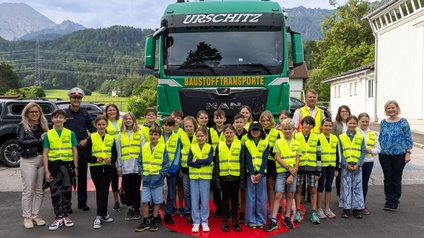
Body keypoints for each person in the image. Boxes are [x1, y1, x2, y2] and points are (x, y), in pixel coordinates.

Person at [43, 109, 78, 231]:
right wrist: (47, 171)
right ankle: (58, 216)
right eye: (55, 117)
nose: (58, 119)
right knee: (55, 191)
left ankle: (66, 215)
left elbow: (74, 150)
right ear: (52, 119)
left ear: (65, 119)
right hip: (54, 166)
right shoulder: (48, 134)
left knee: (67, 190)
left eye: (61, 117)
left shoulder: (70, 133)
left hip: (67, 166)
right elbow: (45, 153)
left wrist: (75, 167)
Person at [64, 87, 96, 211]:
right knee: (67, 177)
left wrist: (86, 140)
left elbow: (93, 131)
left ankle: (82, 202)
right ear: (70, 99)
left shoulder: (85, 114)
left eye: (78, 98)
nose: (76, 100)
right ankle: (67, 204)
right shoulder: (64, 114)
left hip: (82, 148)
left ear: (81, 99)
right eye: (74, 97)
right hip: (67, 150)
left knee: (82, 176)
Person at [265, 118, 300, 232]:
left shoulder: (296, 143)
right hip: (281, 172)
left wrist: (293, 172)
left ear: (293, 129)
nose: (287, 131)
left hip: (292, 173)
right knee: (278, 195)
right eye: (285, 129)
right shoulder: (278, 142)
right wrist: (288, 168)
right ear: (281, 129)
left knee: (290, 195)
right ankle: (274, 220)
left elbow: (297, 159)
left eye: (289, 129)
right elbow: (277, 158)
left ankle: (287, 217)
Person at [18, 102, 49, 228]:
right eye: (32, 112)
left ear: (40, 113)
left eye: (37, 111)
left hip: (42, 159)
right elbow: (21, 142)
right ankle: (27, 217)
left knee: (39, 190)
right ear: (27, 113)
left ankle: (35, 214)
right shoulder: (22, 125)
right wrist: (39, 140)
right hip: (28, 160)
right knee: (28, 190)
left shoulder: (45, 125)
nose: (35, 114)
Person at [378, 100, 413, 212]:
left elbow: (408, 138)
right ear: (386, 110)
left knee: (396, 178)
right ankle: (388, 200)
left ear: (397, 108)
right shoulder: (383, 122)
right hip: (384, 155)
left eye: (393, 108)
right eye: (388, 108)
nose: (391, 110)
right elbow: (380, 138)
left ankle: (395, 201)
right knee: (387, 178)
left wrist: (407, 153)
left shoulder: (403, 122)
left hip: (399, 155)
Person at [135, 126, 170, 232]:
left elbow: (166, 164)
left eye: (155, 134)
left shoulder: (163, 147)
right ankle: (145, 220)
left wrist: (161, 174)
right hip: (146, 179)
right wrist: (141, 172)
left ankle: (154, 219)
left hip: (157, 180)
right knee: (145, 201)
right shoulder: (145, 146)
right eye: (151, 134)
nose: (153, 136)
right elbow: (140, 161)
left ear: (159, 136)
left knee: (157, 200)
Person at [86, 115, 117, 229]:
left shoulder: (111, 138)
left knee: (103, 191)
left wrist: (111, 160)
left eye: (103, 124)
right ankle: (103, 214)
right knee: (100, 191)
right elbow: (86, 155)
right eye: (99, 124)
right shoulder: (92, 137)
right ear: (95, 125)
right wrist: (94, 159)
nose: (101, 126)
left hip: (108, 168)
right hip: (96, 168)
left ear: (107, 125)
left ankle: (99, 215)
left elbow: (115, 155)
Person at [214, 124, 245, 232]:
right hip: (224, 177)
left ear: (235, 133)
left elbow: (242, 163)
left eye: (231, 132)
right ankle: (225, 221)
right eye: (226, 132)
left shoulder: (240, 145)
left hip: (235, 177)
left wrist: (242, 180)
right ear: (223, 134)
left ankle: (235, 221)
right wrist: (217, 179)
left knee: (235, 199)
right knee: (225, 199)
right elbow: (217, 164)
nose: (229, 134)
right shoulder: (220, 145)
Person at [116, 112, 144, 221]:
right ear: (124, 121)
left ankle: (137, 208)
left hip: (136, 166)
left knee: (135, 188)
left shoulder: (139, 133)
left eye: (130, 118)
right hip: (125, 166)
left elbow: (143, 151)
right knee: (127, 188)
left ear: (134, 120)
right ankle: (130, 207)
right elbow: (118, 152)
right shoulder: (120, 135)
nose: (128, 120)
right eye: (126, 119)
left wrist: (141, 166)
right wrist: (119, 167)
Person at [293, 116, 321, 224]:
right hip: (299, 167)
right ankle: (298, 211)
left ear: (313, 126)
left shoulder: (316, 137)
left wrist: (318, 170)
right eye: (306, 123)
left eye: (310, 124)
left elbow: (319, 155)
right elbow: (293, 152)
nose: (307, 125)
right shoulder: (296, 136)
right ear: (302, 124)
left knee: (312, 190)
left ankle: (313, 212)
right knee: (298, 189)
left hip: (312, 167)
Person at [339, 115, 366, 219]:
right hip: (346, 166)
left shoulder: (360, 136)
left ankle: (357, 209)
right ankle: (346, 208)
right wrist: (345, 164)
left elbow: (363, 151)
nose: (352, 125)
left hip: (357, 167)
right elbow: (340, 152)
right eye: (350, 123)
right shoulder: (341, 137)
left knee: (358, 188)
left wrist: (358, 164)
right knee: (345, 187)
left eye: (354, 123)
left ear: (357, 124)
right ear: (346, 124)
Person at [188, 126, 214, 233]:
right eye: (197, 136)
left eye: (202, 136)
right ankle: (196, 221)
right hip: (194, 177)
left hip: (205, 177)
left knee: (204, 199)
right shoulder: (192, 147)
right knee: (194, 200)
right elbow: (189, 162)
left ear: (206, 136)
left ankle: (204, 221)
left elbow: (208, 161)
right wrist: (199, 164)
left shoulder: (210, 147)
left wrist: (197, 161)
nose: (199, 138)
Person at [245, 121, 269, 229]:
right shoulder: (246, 143)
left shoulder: (265, 142)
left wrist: (260, 173)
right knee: (251, 197)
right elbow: (248, 159)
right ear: (250, 131)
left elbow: (265, 159)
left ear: (261, 131)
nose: (255, 131)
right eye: (253, 129)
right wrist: (251, 174)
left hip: (261, 174)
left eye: (257, 129)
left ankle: (260, 220)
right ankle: (251, 220)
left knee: (261, 198)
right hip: (250, 174)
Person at [259, 110, 282, 219]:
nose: (265, 122)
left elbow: (279, 148)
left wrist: (271, 150)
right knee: (261, 187)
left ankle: (271, 208)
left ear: (271, 121)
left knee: (269, 186)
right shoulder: (259, 131)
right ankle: (261, 208)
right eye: (263, 120)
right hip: (260, 162)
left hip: (271, 161)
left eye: (267, 120)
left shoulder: (276, 133)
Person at [357, 112, 381, 215]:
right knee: (355, 184)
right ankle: (353, 204)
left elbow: (378, 149)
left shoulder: (372, 134)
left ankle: (362, 204)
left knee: (364, 184)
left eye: (367, 121)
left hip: (368, 162)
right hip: (356, 162)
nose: (365, 123)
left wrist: (371, 150)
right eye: (362, 121)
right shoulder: (354, 132)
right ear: (358, 121)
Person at [316, 118, 340, 219]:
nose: (328, 127)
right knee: (320, 186)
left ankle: (327, 208)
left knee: (329, 187)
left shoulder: (335, 138)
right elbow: (317, 154)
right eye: (326, 125)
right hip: (321, 166)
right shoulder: (318, 137)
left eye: (330, 126)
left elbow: (337, 153)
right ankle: (319, 208)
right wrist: (317, 169)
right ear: (322, 127)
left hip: (331, 166)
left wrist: (337, 168)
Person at [161, 116, 182, 225]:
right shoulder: (157, 137)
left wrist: (172, 169)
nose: (167, 127)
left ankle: (168, 213)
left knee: (171, 192)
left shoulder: (177, 138)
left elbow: (178, 155)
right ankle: (157, 213)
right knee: (158, 191)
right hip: (159, 169)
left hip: (171, 170)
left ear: (173, 126)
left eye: (170, 125)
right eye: (165, 125)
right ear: (162, 125)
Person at [104, 103, 124, 212]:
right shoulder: (105, 123)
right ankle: (116, 200)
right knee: (114, 177)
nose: (112, 112)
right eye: (110, 110)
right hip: (111, 152)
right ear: (106, 112)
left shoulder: (121, 122)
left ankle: (122, 191)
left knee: (125, 174)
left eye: (114, 110)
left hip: (123, 150)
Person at [179, 116, 198, 224]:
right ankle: (188, 212)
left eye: (190, 126)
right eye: (186, 126)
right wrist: (180, 169)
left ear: (194, 126)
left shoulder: (199, 135)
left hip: (196, 168)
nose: (188, 128)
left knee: (195, 191)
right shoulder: (181, 137)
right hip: (185, 169)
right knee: (187, 191)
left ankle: (196, 211)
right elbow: (180, 154)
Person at [209, 109, 226, 218]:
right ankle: (218, 207)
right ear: (214, 119)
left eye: (221, 118)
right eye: (217, 118)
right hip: (213, 160)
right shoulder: (210, 131)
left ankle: (225, 207)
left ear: (224, 119)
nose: (219, 120)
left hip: (225, 160)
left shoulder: (228, 130)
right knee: (215, 185)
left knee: (224, 186)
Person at [332, 105, 351, 197]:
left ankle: (348, 193)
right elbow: (333, 137)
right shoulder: (335, 124)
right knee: (339, 174)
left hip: (351, 152)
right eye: (342, 111)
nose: (345, 113)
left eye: (346, 111)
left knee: (349, 173)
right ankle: (340, 194)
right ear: (339, 113)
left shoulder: (352, 122)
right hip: (339, 151)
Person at [233, 113, 248, 223]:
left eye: (240, 122)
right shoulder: (230, 134)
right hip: (233, 166)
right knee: (232, 191)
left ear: (244, 123)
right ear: (234, 123)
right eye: (237, 122)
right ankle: (232, 211)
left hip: (244, 166)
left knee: (243, 190)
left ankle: (242, 212)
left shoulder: (248, 135)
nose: (238, 124)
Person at [171, 110, 185, 217]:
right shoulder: (166, 131)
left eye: (178, 118)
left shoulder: (182, 133)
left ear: (181, 120)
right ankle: (172, 206)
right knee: (171, 187)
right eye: (174, 117)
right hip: (169, 165)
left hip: (180, 164)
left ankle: (180, 206)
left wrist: (181, 167)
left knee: (180, 186)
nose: (176, 119)